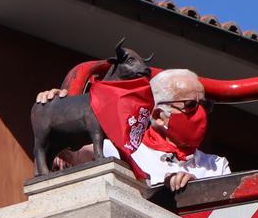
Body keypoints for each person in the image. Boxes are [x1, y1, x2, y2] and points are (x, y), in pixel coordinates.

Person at [34, 68, 231, 190]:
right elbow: (67, 156)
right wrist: (55, 108)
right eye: (191, 105)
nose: (201, 114)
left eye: (205, 105)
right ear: (159, 116)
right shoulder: (115, 149)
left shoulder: (217, 166)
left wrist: (199, 190)